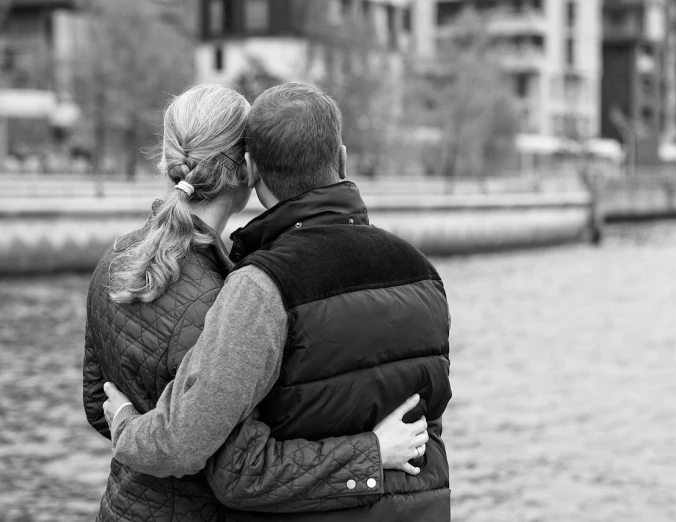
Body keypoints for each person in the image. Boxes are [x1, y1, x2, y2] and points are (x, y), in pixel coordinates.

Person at [103, 82, 452, 521]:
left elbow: (220, 463)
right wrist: (371, 454)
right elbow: (426, 429)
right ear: (341, 158)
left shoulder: (260, 286)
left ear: (250, 170)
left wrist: (124, 425)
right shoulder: (423, 273)